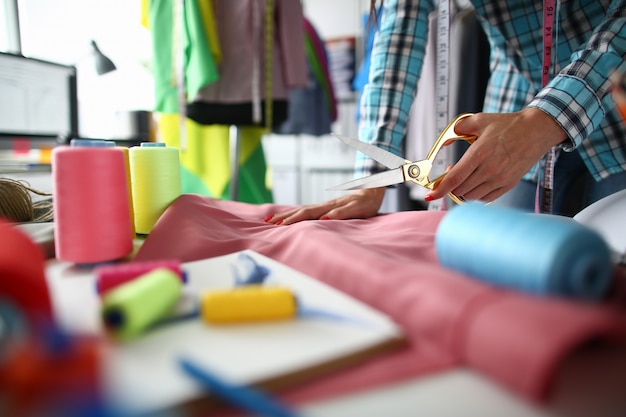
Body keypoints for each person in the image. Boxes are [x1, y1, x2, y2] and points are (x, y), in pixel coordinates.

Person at [265, 0, 626, 225]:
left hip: (617, 101)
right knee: (497, 263)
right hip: (515, 97)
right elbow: (398, 39)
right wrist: (372, 179)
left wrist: (544, 119)